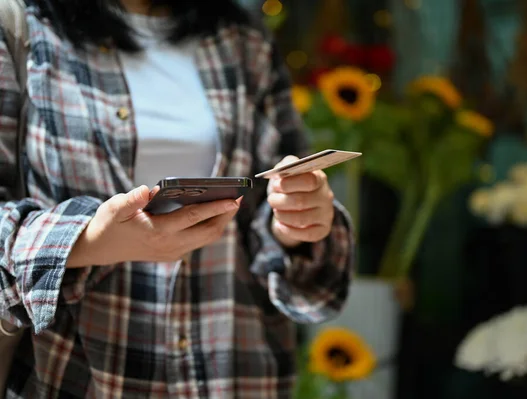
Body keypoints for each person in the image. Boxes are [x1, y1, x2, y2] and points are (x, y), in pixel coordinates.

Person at [0, 0, 354, 397]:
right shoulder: (19, 26)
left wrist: (294, 223)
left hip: (235, 373)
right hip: (74, 375)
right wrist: (88, 242)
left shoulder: (242, 38)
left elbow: (268, 209)